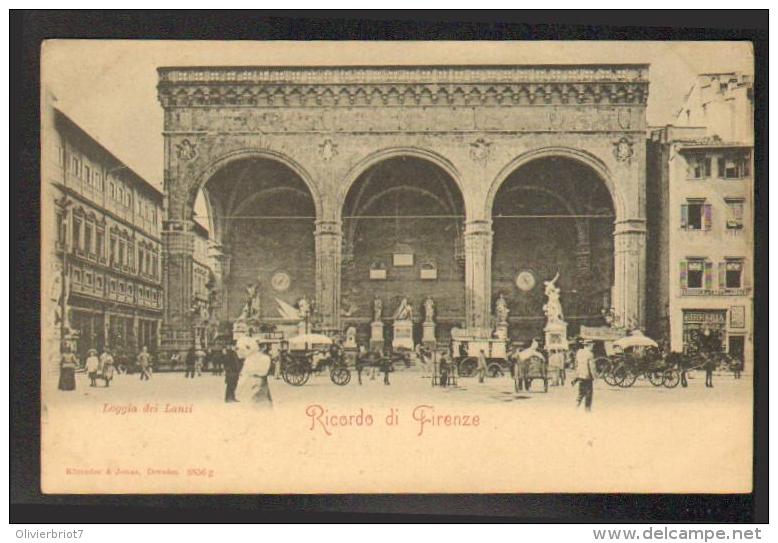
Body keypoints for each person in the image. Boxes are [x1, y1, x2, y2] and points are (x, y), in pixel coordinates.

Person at [235, 338, 273, 407]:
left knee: (252, 403)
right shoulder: (266, 358)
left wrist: (238, 391)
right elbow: (264, 372)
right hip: (262, 382)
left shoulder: (249, 360)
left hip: (251, 383)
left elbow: (243, 377)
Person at [572, 341, 596, 411]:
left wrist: (576, 374)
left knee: (581, 392)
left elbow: (576, 364)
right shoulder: (590, 354)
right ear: (589, 345)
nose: (593, 347)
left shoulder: (579, 352)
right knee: (589, 393)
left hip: (580, 375)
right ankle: (587, 408)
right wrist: (594, 376)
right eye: (592, 345)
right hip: (587, 376)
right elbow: (592, 367)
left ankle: (575, 406)